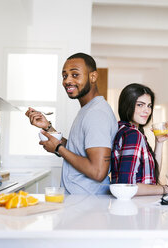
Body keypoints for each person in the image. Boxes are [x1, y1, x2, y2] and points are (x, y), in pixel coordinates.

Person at [25, 53, 118, 194]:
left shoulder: (97, 114)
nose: (67, 81)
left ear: (93, 77)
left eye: (75, 75)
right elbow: (77, 150)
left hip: (87, 204)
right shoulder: (88, 109)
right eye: (64, 76)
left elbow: (98, 172)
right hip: (81, 202)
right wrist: (48, 127)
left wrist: (58, 148)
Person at [111, 83, 168, 195]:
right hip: (136, 208)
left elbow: (152, 175)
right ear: (127, 105)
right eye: (140, 105)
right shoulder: (132, 134)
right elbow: (126, 187)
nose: (147, 111)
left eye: (149, 105)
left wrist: (159, 142)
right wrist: (165, 189)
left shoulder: (127, 130)